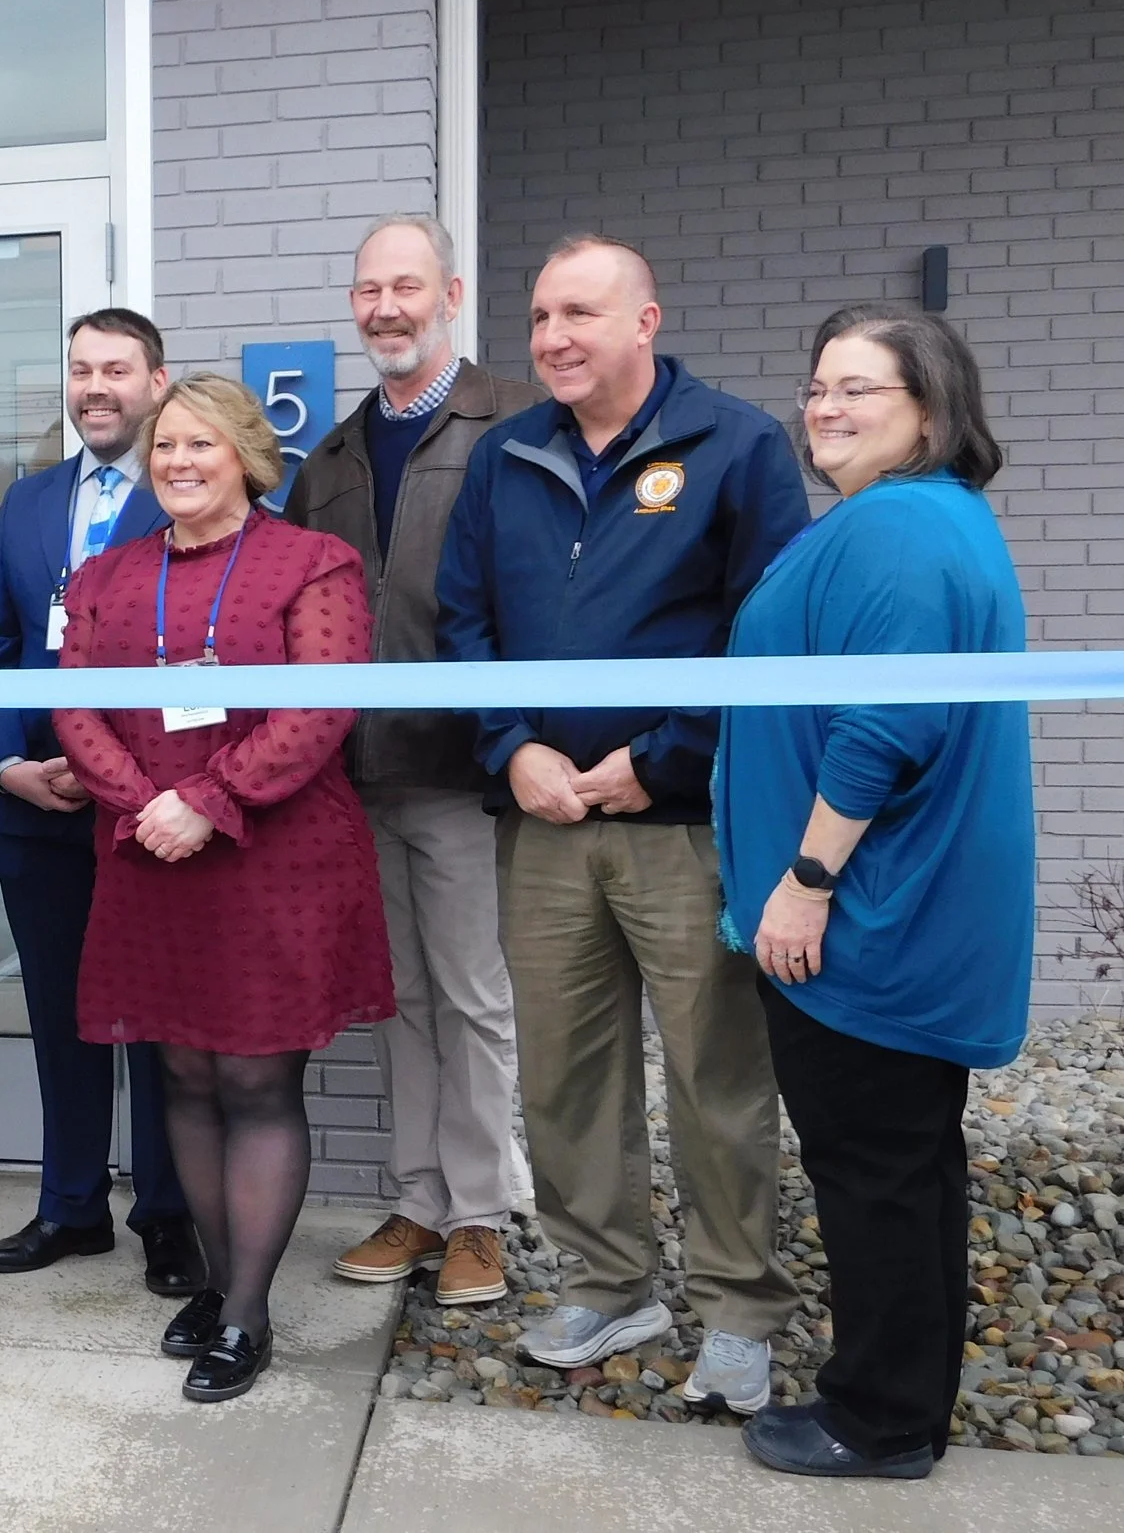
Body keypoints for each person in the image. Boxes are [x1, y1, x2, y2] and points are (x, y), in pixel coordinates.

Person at [436, 235, 807, 1408]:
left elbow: (765, 625)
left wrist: (661, 758)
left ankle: (739, 1303)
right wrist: (514, 748)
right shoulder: (505, 457)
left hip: (681, 821)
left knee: (716, 1073)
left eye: (580, 313)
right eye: (541, 315)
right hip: (541, 820)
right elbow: (463, 622)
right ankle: (607, 1279)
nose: (553, 336)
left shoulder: (735, 444)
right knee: (563, 1069)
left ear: (645, 319)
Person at [720, 309, 1031, 1479]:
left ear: (931, 412)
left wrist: (802, 884)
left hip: (867, 919)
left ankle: (880, 1418)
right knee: (904, 1163)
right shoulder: (914, 518)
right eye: (817, 387)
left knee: (873, 1169)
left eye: (859, 388)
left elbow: (883, 724)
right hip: (888, 907)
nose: (825, 407)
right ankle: (899, 1395)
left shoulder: (898, 525)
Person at [54, 374, 395, 1404]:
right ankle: (216, 1277)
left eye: (200, 445)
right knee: (185, 1079)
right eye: (166, 448)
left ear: (247, 454)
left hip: (272, 857)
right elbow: (74, 707)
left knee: (253, 1081)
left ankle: (245, 1309)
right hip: (151, 856)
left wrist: (203, 798)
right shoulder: (109, 572)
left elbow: (317, 706)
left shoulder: (312, 561)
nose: (179, 463)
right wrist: (141, 803)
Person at [288, 216, 542, 1308]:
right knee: (403, 1000)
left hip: (465, 770)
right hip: (362, 773)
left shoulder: (515, 426)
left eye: (404, 286)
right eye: (365, 291)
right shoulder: (334, 456)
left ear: (448, 290)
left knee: (475, 996)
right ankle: (421, 1198)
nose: (383, 308)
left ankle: (483, 1213)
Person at [0, 307, 201, 1296]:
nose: (94, 386)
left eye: (114, 368)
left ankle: (167, 1212)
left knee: (154, 1017)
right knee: (59, 1016)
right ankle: (69, 1203)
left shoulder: (188, 494)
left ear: (156, 382)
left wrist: (140, 780)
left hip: (147, 813)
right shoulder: (27, 501)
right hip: (39, 806)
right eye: (79, 370)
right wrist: (5, 763)